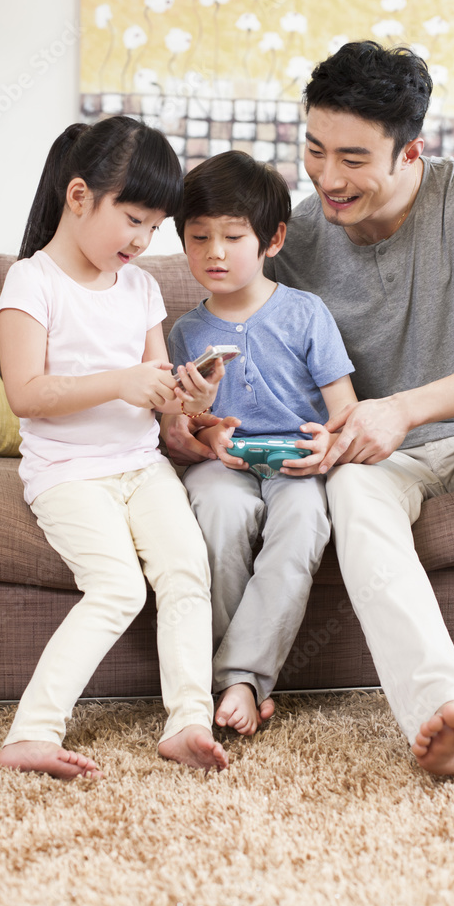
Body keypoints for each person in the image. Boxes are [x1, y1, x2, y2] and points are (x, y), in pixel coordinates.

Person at [164, 43, 454, 776]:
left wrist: (401, 409)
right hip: (372, 456)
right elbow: (251, 346)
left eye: (353, 158)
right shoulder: (290, 242)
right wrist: (202, 420)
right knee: (352, 490)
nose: (329, 177)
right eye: (315, 150)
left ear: (409, 151)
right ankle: (442, 712)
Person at [0, 116, 229, 779]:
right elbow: (26, 393)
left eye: (153, 226)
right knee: (118, 586)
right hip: (67, 474)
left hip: (140, 465)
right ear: (77, 198)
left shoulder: (141, 288)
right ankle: (30, 734)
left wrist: (189, 397)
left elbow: (157, 396)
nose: (143, 240)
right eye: (132, 219)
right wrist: (121, 381)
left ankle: (188, 721)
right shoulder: (30, 283)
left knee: (186, 569)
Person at [165, 150, 357, 735]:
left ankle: (244, 676)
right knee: (219, 516)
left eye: (231, 236)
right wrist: (205, 429)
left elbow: (343, 407)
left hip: (296, 463)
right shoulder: (185, 331)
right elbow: (183, 427)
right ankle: (226, 682)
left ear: (272, 240)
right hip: (225, 462)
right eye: (198, 238)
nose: (214, 253)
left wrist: (325, 442)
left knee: (301, 526)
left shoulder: (307, 313)